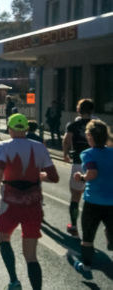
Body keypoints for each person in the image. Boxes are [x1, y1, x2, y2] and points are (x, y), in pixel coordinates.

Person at [0, 113, 59, 290]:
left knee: (3, 239)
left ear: (10, 129)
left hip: (9, 204)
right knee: (31, 256)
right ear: (27, 129)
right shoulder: (39, 147)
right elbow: (54, 177)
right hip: (33, 204)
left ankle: (14, 281)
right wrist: (38, 176)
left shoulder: (3, 146)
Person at [71, 119, 113, 280]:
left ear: (90, 137)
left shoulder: (88, 153)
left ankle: (86, 266)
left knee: (88, 237)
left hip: (93, 201)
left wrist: (81, 177)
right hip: (112, 202)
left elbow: (92, 173)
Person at [62, 98, 94, 239]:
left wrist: (65, 153)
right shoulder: (97, 126)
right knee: (95, 198)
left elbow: (66, 140)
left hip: (78, 163)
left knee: (75, 197)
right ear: (91, 110)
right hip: (96, 163)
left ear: (78, 110)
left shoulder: (73, 125)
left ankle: (74, 226)